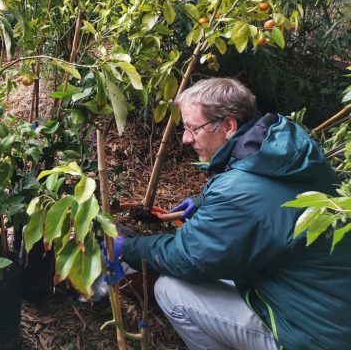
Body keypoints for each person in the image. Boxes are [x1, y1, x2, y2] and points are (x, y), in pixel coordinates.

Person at [111, 77, 351, 350]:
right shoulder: (285, 147)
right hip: (333, 313)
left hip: (308, 336)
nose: (186, 139)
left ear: (228, 126)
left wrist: (128, 247)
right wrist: (202, 202)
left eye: (193, 128)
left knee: (170, 289)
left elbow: (188, 258)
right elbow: (268, 202)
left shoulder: (238, 191)